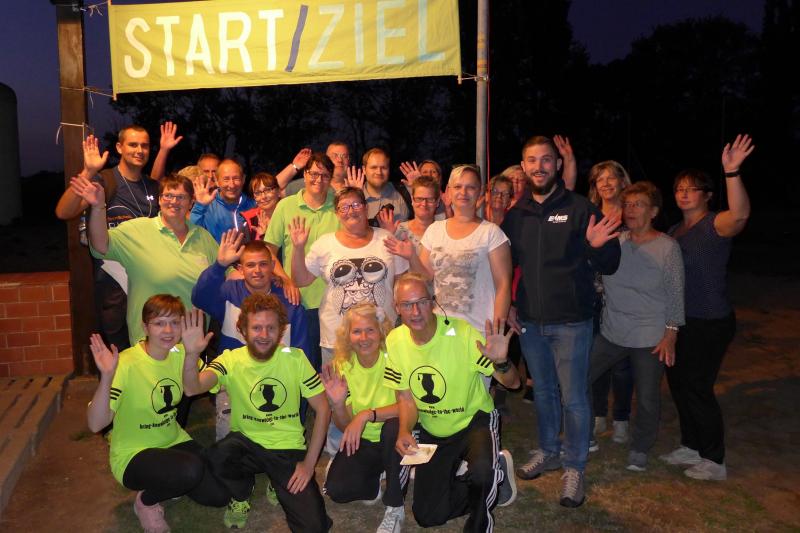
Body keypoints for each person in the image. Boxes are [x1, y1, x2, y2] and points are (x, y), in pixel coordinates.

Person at [502, 136, 621, 507]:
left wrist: (596, 247)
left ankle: (574, 466)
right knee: (543, 392)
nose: (538, 167)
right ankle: (548, 451)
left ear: (557, 165)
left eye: (546, 160)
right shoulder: (516, 214)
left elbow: (611, 263)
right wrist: (508, 304)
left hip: (571, 322)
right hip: (531, 322)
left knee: (574, 398)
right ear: (524, 166)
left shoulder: (581, 208)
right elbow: (507, 265)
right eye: (531, 160)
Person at [182, 293, 331, 531]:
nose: (263, 335)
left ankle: (277, 480)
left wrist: (309, 464)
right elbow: (192, 388)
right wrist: (191, 355)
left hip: (286, 447)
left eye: (271, 328)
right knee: (216, 457)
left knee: (314, 526)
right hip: (246, 444)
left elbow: (322, 409)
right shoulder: (230, 360)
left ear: (281, 330)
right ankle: (241, 494)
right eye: (256, 328)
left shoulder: (296, 359)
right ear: (243, 330)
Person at [385, 273, 519, 531]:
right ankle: (494, 479)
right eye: (407, 304)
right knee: (427, 515)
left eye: (422, 302)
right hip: (434, 429)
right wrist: (403, 429)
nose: (415, 311)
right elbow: (405, 397)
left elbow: (513, 383)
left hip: (474, 420)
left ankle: (485, 488)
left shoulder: (462, 334)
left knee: (482, 473)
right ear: (396, 307)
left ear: (433, 301)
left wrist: (501, 362)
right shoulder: (395, 341)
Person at [86, 295, 226, 533]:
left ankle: (173, 480)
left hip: (173, 440)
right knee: (191, 469)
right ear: (145, 327)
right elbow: (95, 424)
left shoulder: (181, 353)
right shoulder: (126, 363)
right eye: (159, 323)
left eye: (175, 323)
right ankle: (146, 501)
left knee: (219, 495)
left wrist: (194, 354)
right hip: (133, 454)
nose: (168, 331)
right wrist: (107, 377)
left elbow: (204, 384)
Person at [661, 134, 754, 481]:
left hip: (711, 320)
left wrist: (732, 172)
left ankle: (715, 460)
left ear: (707, 195)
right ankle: (691, 444)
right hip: (680, 321)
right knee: (679, 384)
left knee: (697, 385)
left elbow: (740, 215)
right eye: (679, 189)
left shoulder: (715, 224)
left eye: (692, 189)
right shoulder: (674, 229)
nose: (684, 193)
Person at [587, 181, 685, 471]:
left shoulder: (667, 247)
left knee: (647, 397)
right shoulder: (615, 241)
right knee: (579, 377)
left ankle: (640, 447)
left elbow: (676, 293)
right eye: (627, 205)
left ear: (653, 211)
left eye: (638, 204)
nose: (630, 210)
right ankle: (584, 433)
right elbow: (594, 272)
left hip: (650, 336)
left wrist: (671, 334)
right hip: (612, 331)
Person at [73, 172, 219, 347]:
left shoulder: (203, 237)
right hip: (150, 344)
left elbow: (227, 273)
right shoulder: (136, 230)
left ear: (191, 202)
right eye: (168, 195)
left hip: (192, 343)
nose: (174, 201)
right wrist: (98, 207)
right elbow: (100, 245)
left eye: (181, 197)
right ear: (159, 200)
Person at [192, 233, 310, 439]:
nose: (257, 270)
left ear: (272, 266)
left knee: (274, 444)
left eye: (263, 264)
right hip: (234, 383)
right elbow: (199, 298)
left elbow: (303, 357)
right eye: (250, 265)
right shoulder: (229, 292)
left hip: (274, 384)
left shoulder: (289, 302)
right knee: (230, 444)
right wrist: (219, 266)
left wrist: (297, 413)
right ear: (241, 269)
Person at [55, 128, 159, 350]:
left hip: (147, 285)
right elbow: (64, 212)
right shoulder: (105, 181)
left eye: (145, 145)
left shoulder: (152, 186)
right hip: (114, 289)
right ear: (119, 147)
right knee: (119, 354)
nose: (140, 150)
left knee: (149, 352)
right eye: (133, 144)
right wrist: (88, 171)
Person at [289, 186, 408, 364]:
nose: (350, 211)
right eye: (344, 207)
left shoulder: (387, 239)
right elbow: (300, 280)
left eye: (356, 205)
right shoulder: (325, 243)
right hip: (337, 338)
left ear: (366, 208)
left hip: (382, 335)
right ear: (337, 214)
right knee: (338, 382)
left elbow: (402, 282)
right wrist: (298, 248)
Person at [390, 165, 511, 334]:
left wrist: (496, 332)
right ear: (448, 191)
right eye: (458, 186)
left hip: (478, 330)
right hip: (441, 330)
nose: (463, 192)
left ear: (480, 191)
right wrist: (412, 257)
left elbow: (503, 286)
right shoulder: (435, 230)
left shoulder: (491, 233)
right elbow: (425, 277)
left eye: (470, 187)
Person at [320, 303, 408, 533]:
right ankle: (376, 478)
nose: (364, 338)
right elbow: (346, 426)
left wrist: (367, 415)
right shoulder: (343, 365)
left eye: (370, 330)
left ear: (381, 332)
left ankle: (395, 506)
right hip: (364, 441)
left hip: (394, 436)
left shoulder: (393, 358)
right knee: (336, 490)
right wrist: (338, 404)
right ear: (348, 336)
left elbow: (407, 406)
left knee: (392, 426)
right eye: (357, 331)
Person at [264, 153, 340, 373]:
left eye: (324, 175)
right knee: (303, 366)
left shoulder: (338, 206)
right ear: (305, 174)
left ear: (331, 177)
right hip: (298, 301)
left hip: (334, 301)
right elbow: (269, 251)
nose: (318, 179)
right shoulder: (286, 206)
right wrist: (286, 280)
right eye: (313, 173)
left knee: (332, 367)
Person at [587, 161, 635, 444]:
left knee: (622, 364)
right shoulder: (590, 215)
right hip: (594, 298)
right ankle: (598, 414)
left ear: (622, 181)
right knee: (596, 358)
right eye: (599, 179)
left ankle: (621, 418)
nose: (605, 183)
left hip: (625, 298)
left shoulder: (633, 215)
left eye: (611, 178)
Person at [190, 159, 257, 242]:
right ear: (217, 181)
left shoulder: (254, 206)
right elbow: (192, 233)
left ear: (243, 179)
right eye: (226, 179)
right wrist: (200, 206)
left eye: (236, 178)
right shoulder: (207, 207)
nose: (231, 185)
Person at [386, 176, 440, 253]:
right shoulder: (397, 230)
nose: (424, 204)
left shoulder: (444, 231)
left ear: (437, 202)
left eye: (430, 199)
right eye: (419, 199)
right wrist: (388, 235)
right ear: (412, 199)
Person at [361, 148, 410, 224]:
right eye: (374, 167)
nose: (379, 172)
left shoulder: (405, 193)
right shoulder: (354, 199)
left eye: (384, 168)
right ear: (364, 170)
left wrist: (418, 188)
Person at [241, 172, 281, 241]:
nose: (263, 196)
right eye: (257, 193)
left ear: (278, 191)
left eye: (268, 190)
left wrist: (265, 235)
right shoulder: (250, 220)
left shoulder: (288, 214)